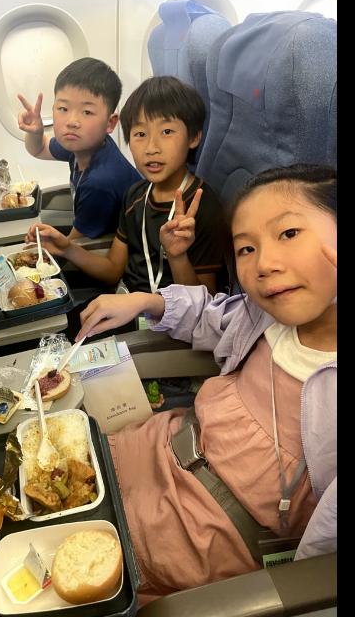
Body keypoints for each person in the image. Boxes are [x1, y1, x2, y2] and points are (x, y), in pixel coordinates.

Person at [76, 164, 337, 604]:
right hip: (165, 446)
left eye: (289, 233)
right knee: (63, 475)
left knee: (81, 570)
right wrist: (145, 301)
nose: (264, 264)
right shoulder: (266, 316)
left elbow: (319, 563)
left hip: (207, 529)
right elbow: (212, 313)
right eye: (247, 248)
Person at [24, 76, 227, 294]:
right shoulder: (135, 196)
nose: (151, 148)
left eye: (166, 132)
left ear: (194, 137)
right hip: (126, 299)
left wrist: (177, 257)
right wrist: (66, 248)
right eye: (140, 134)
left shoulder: (203, 207)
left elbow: (205, 304)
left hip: (165, 313)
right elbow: (113, 270)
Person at [18, 57, 141, 239]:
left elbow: (74, 244)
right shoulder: (83, 145)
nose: (72, 122)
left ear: (110, 123)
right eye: (63, 108)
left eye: (87, 112)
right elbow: (39, 148)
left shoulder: (100, 182)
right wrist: (36, 132)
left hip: (113, 250)